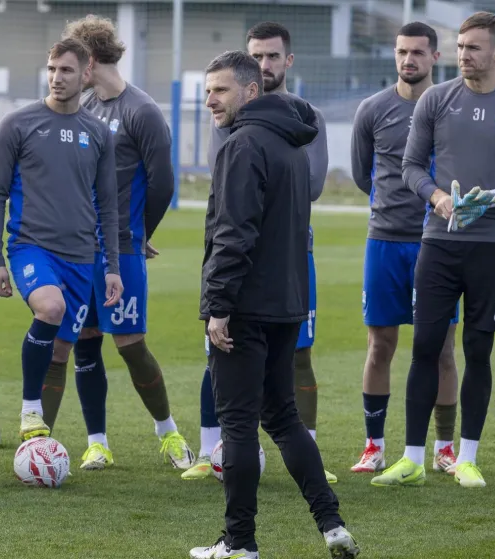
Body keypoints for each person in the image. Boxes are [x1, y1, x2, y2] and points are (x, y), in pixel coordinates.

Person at [372, 11, 495, 489]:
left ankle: (466, 457)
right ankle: (411, 458)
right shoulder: (436, 99)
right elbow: (411, 166)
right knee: (425, 347)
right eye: (459, 47)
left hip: (493, 246)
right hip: (439, 242)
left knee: (478, 348)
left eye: (473, 48)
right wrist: (437, 197)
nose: (463, 55)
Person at [190, 49, 358, 559]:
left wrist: (218, 305)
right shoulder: (291, 145)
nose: (210, 100)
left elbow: (233, 234)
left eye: (220, 90)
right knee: (283, 418)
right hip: (286, 304)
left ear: (250, 90)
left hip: (243, 307)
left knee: (238, 424)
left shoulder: (243, 145)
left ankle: (239, 543)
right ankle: (332, 525)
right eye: (207, 91)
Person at [40, 14, 193, 471]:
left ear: (89, 63)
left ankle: (167, 432)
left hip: (121, 248)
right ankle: (96, 442)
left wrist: (142, 232)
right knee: (79, 342)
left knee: (130, 343)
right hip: (75, 250)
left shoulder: (140, 110)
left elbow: (164, 184)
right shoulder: (83, 107)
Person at [184, 21, 335, 483]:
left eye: (272, 57)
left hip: (280, 251)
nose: (266, 64)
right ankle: (213, 450)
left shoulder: (304, 118)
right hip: (241, 253)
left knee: (291, 361)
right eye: (258, 56)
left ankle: (294, 458)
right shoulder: (227, 119)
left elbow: (308, 187)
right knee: (223, 361)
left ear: (286, 62)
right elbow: (221, 184)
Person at [0, 38, 122, 444]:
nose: (56, 78)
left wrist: (111, 267)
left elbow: (108, 206)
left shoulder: (97, 134)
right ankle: (29, 410)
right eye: (51, 69)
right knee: (50, 307)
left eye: (65, 70)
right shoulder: (18, 124)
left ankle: (38, 446)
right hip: (32, 247)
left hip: (81, 257)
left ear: (86, 73)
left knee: (60, 353)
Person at [350, 22, 460, 475]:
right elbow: (363, 175)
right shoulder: (373, 109)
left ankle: (444, 447)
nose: (407, 60)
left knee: (442, 350)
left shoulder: (454, 107)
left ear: (435, 56)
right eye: (401, 52)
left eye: (417, 52)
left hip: (439, 243)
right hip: (385, 242)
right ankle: (374, 444)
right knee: (381, 344)